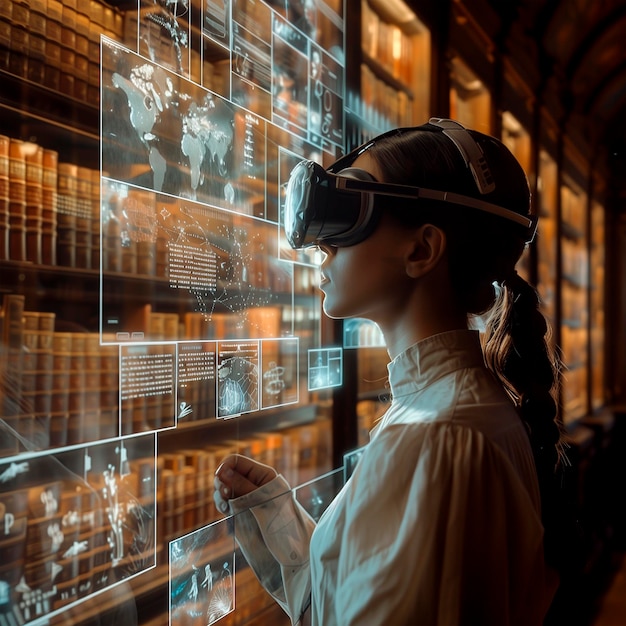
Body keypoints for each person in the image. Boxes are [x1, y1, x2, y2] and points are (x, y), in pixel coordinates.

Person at [213, 118, 565, 625]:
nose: (322, 245)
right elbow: (355, 594)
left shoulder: (436, 438)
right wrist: (273, 512)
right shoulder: (451, 415)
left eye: (350, 211)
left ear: (421, 250)